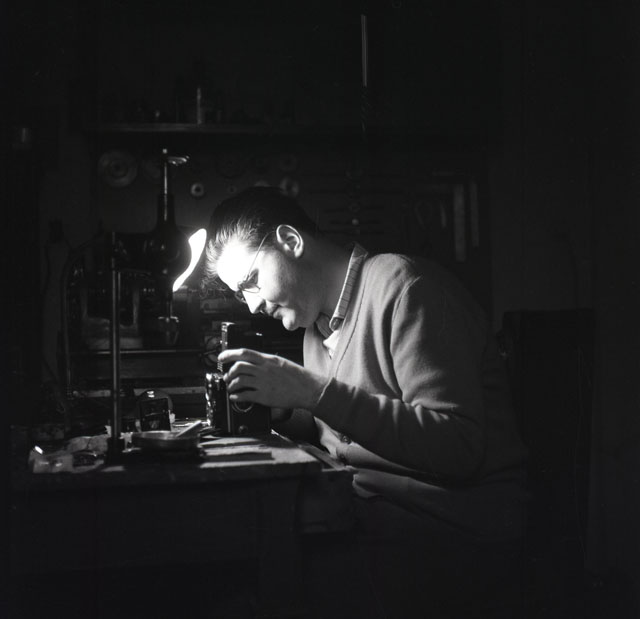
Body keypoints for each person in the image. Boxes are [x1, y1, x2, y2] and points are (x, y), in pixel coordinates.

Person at [203, 186, 528, 618]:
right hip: (370, 511)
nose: (252, 305)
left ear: (291, 241)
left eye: (251, 281)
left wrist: (312, 391)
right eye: (240, 293)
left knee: (259, 585)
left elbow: (458, 447)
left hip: (456, 526)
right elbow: (342, 427)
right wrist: (283, 410)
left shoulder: (407, 288)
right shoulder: (316, 327)